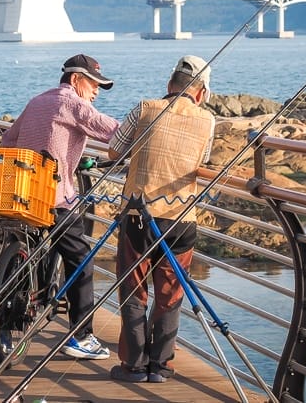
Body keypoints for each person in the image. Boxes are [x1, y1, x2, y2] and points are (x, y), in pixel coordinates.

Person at [0, 53, 119, 360]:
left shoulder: (37, 101)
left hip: (22, 194)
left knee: (34, 249)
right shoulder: (72, 103)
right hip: (55, 197)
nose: (95, 92)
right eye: (93, 84)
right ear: (76, 79)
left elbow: (7, 141)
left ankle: (0, 331)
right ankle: (81, 336)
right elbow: (113, 131)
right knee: (81, 260)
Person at [106, 55, 215, 383]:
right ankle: (162, 367)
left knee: (133, 291)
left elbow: (114, 150)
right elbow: (204, 159)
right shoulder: (208, 121)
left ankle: (134, 366)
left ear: (170, 84)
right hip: (182, 221)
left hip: (139, 218)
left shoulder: (145, 108)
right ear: (201, 93)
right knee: (171, 294)